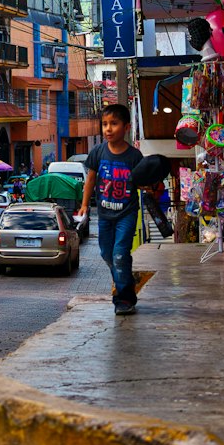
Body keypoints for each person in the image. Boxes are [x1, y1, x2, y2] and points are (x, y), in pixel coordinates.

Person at [77, 104, 144, 315]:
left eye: (113, 124)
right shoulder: (98, 152)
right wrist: (85, 205)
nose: (108, 129)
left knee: (119, 254)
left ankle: (124, 299)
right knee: (107, 253)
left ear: (126, 127)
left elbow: (142, 183)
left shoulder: (134, 156)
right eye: (104, 124)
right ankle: (125, 280)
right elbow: (90, 181)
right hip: (104, 215)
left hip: (127, 213)